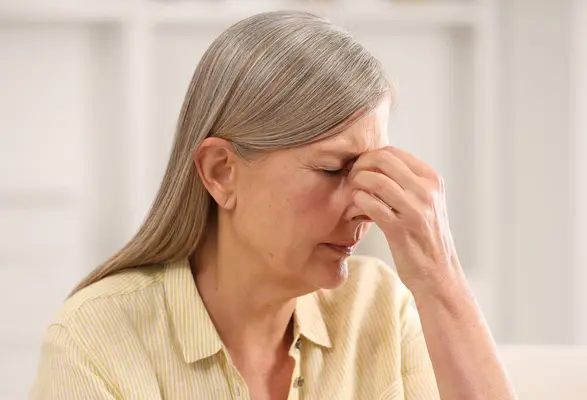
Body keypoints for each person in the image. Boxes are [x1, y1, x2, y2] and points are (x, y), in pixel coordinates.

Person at [30, 10, 515, 400]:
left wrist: (440, 276)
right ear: (222, 171)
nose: (364, 207)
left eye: (372, 170)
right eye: (332, 170)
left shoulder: (380, 308)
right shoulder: (94, 340)